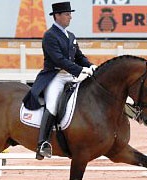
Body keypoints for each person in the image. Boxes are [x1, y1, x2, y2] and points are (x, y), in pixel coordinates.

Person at [23, 1, 97, 160]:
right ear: (57, 16)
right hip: (54, 76)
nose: (70, 17)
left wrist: (91, 66)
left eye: (70, 14)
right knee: (53, 105)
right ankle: (42, 143)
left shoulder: (70, 36)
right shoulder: (49, 36)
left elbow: (79, 57)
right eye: (67, 14)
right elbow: (58, 59)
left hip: (71, 75)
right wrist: (79, 70)